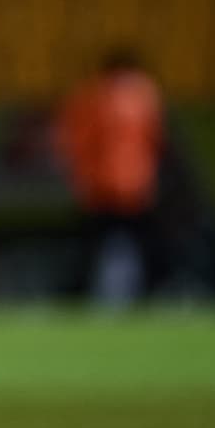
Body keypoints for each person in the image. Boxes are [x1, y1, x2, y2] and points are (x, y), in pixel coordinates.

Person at [54, 47, 166, 307]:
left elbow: (77, 143)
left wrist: (81, 178)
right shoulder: (145, 95)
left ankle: (102, 296)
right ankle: (137, 295)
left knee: (99, 244)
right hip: (137, 184)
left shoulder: (94, 95)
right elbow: (156, 143)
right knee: (135, 243)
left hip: (101, 184)